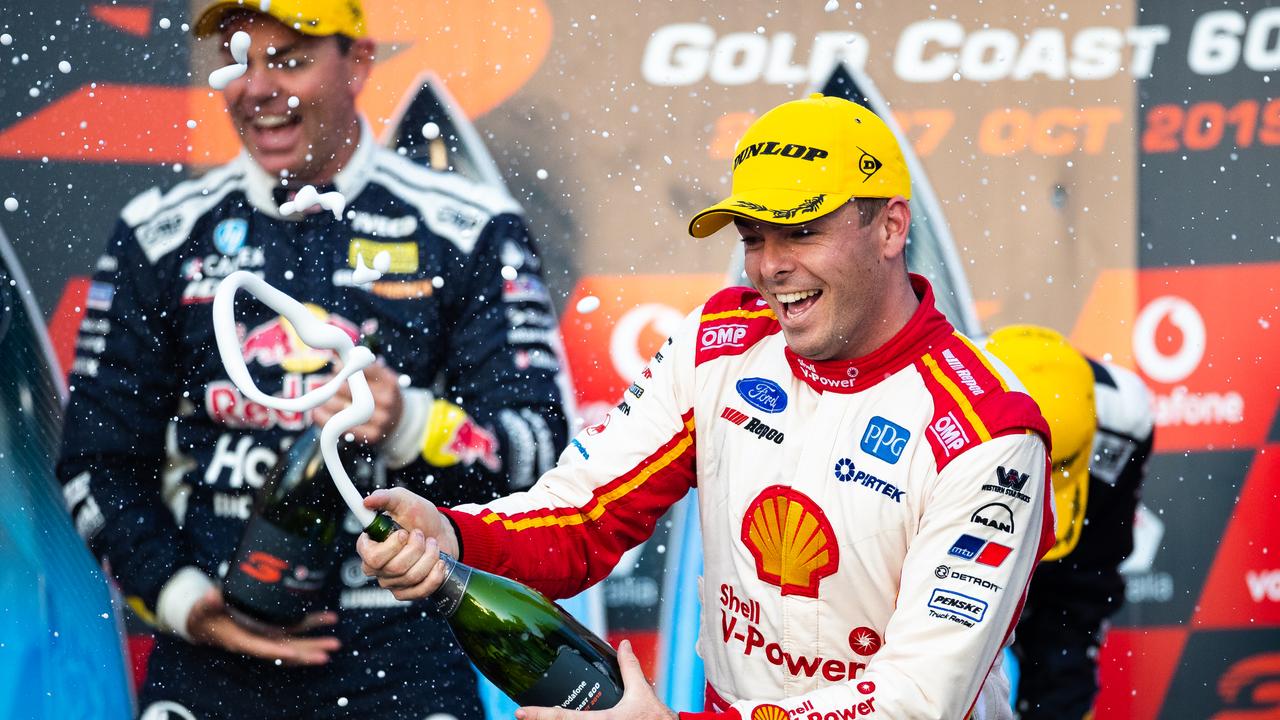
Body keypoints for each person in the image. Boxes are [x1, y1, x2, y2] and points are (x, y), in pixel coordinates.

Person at [357, 94, 1057, 719]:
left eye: (801, 231)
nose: (770, 266)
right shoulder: (719, 342)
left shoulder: (991, 432)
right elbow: (586, 513)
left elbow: (918, 699)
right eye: (753, 237)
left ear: (891, 228)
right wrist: (454, 535)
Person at [55, 1, 570, 717]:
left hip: (405, 657)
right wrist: (183, 600)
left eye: (289, 59)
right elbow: (96, 460)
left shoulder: (467, 227)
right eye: (238, 61)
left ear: (357, 62)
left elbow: (540, 455)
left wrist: (408, 420)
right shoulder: (160, 235)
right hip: (210, 666)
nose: (258, 88)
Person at [984, 326, 1155, 720]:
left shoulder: (1124, 417)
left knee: (1064, 662)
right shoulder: (933, 396)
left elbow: (1090, 578)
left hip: (1074, 554)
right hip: (971, 516)